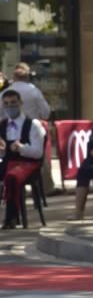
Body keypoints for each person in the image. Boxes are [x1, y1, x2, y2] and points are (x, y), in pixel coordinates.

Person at [0, 89, 47, 229]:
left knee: (12, 177)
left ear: (20, 103)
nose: (10, 107)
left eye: (13, 103)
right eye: (6, 104)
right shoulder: (1, 125)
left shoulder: (33, 124)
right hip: (6, 161)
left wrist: (21, 148)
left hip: (28, 163)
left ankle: (12, 216)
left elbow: (38, 152)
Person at [10, 62, 54, 194]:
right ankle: (45, 189)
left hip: (10, 133)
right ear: (28, 76)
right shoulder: (34, 91)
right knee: (40, 157)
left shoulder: (5, 92)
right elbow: (46, 112)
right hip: (31, 132)